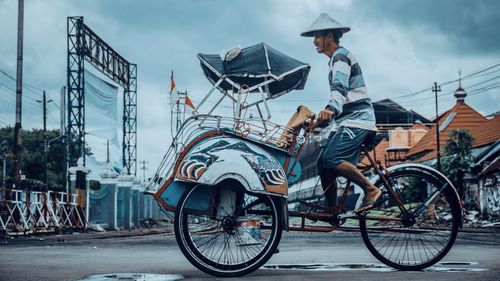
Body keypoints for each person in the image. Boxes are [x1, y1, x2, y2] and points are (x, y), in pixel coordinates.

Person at [300, 13, 381, 213]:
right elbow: (342, 97)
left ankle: (371, 189)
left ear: (329, 37)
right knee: (322, 162)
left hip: (359, 120)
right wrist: (323, 121)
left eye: (317, 36)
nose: (314, 42)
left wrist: (330, 109)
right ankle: (332, 209)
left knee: (332, 159)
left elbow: (339, 88)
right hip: (348, 121)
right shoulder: (334, 60)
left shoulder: (340, 56)